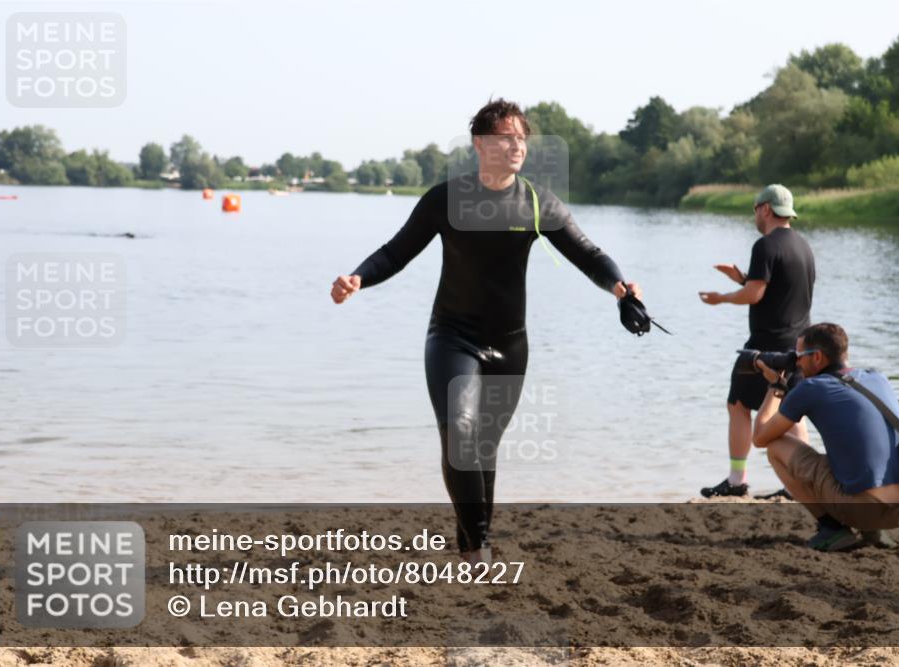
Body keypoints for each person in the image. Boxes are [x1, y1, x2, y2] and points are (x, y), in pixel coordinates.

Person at [331, 99, 643, 564]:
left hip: (510, 345)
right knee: (459, 434)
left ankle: (470, 543)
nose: (517, 145)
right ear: (481, 144)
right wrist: (358, 277)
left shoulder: (537, 203)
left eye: (522, 138)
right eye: (506, 137)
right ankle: (479, 549)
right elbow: (395, 252)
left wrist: (619, 285)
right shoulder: (447, 199)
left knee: (483, 449)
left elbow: (589, 255)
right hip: (452, 337)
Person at [751, 322, 899, 551]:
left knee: (776, 447)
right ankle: (875, 531)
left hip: (862, 509)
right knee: (856, 454)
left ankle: (832, 529)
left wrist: (775, 386)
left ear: (818, 357)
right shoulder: (877, 377)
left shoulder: (811, 388)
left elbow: (760, 437)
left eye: (799, 355)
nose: (797, 362)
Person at [698, 184, 815, 497]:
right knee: (791, 410)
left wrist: (721, 298)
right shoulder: (804, 246)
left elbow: (756, 294)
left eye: (755, 209)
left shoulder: (765, 245)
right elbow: (779, 289)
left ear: (765, 209)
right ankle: (802, 479)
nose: (755, 215)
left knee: (737, 405)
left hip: (766, 345)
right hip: (800, 345)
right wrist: (740, 277)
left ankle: (736, 481)